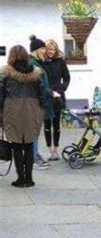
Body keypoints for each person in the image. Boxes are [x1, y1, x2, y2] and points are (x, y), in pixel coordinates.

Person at [0, 45, 45, 187]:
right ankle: (29, 178)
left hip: (12, 111)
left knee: (17, 145)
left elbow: (0, 95)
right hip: (32, 110)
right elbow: (42, 93)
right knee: (29, 144)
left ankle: (21, 178)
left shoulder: (5, 73)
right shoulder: (36, 73)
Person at [29, 35, 57, 169]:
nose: (45, 51)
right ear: (35, 50)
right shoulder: (32, 64)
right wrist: (51, 93)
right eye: (42, 49)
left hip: (37, 103)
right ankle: (33, 158)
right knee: (33, 132)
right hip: (34, 104)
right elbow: (37, 86)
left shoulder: (36, 63)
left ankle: (35, 155)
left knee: (34, 132)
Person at [42, 39, 70, 161]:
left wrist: (62, 88)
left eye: (53, 49)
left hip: (58, 95)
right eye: (49, 49)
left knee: (56, 124)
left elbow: (67, 77)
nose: (51, 52)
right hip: (46, 95)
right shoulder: (41, 62)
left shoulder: (60, 62)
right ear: (46, 50)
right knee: (47, 124)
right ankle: (50, 150)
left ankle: (56, 149)